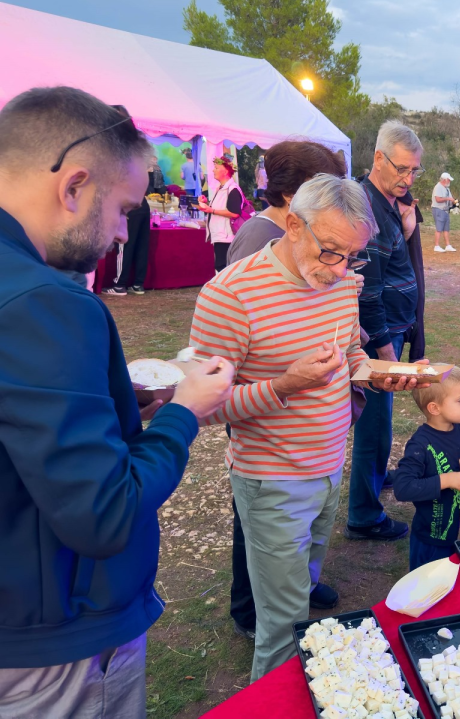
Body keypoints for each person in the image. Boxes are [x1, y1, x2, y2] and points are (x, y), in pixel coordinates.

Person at [0, 86, 233, 718]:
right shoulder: (46, 301)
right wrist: (186, 410)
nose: (121, 232)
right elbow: (103, 513)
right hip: (51, 644)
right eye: (124, 209)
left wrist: (118, 399)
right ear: (73, 187)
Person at [189, 174, 394, 682]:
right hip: (272, 480)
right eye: (331, 252)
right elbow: (202, 407)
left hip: (328, 468)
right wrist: (283, 385)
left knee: (302, 596)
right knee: (281, 629)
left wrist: (377, 373)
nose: (342, 269)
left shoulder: (343, 281)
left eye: (353, 256)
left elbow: (348, 354)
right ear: (294, 224)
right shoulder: (230, 296)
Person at [222, 139, 349, 641]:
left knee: (289, 555)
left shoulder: (332, 268)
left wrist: (365, 371)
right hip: (269, 462)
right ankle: (252, 605)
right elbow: (222, 384)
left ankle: (290, 587)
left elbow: (327, 334)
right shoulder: (255, 252)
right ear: (298, 202)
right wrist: (285, 383)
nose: (341, 268)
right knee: (256, 533)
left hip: (316, 459)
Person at [346, 121, 427, 542]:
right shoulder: (368, 208)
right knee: (374, 424)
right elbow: (369, 295)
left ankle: (375, 481)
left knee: (382, 421)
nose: (408, 179)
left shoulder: (387, 202)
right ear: (378, 158)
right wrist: (386, 355)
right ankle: (363, 514)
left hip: (393, 330)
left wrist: (406, 228)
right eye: (401, 169)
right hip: (379, 337)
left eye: (415, 172)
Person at [393, 366, 460, 571]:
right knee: (430, 590)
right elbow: (403, 487)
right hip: (433, 540)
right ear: (435, 408)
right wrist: (446, 480)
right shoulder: (420, 445)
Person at [198, 155, 242, 272]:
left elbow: (234, 213)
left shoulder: (232, 189)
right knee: (221, 266)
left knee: (223, 267)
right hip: (220, 234)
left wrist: (211, 210)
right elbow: (221, 206)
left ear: (226, 171)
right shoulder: (220, 188)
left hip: (226, 236)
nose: (213, 170)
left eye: (216, 168)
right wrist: (206, 203)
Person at [102, 191, 150, 295]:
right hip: (142, 203)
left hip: (128, 205)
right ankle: (138, 284)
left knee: (124, 245)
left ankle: (119, 285)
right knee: (141, 246)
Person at [432, 171, 456, 252]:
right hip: (438, 209)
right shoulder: (438, 187)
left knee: (446, 228)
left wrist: (454, 203)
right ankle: (436, 245)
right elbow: (437, 199)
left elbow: (450, 199)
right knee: (439, 228)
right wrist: (448, 199)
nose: (449, 182)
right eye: (448, 180)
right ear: (445, 180)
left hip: (445, 210)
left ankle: (447, 245)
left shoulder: (447, 189)